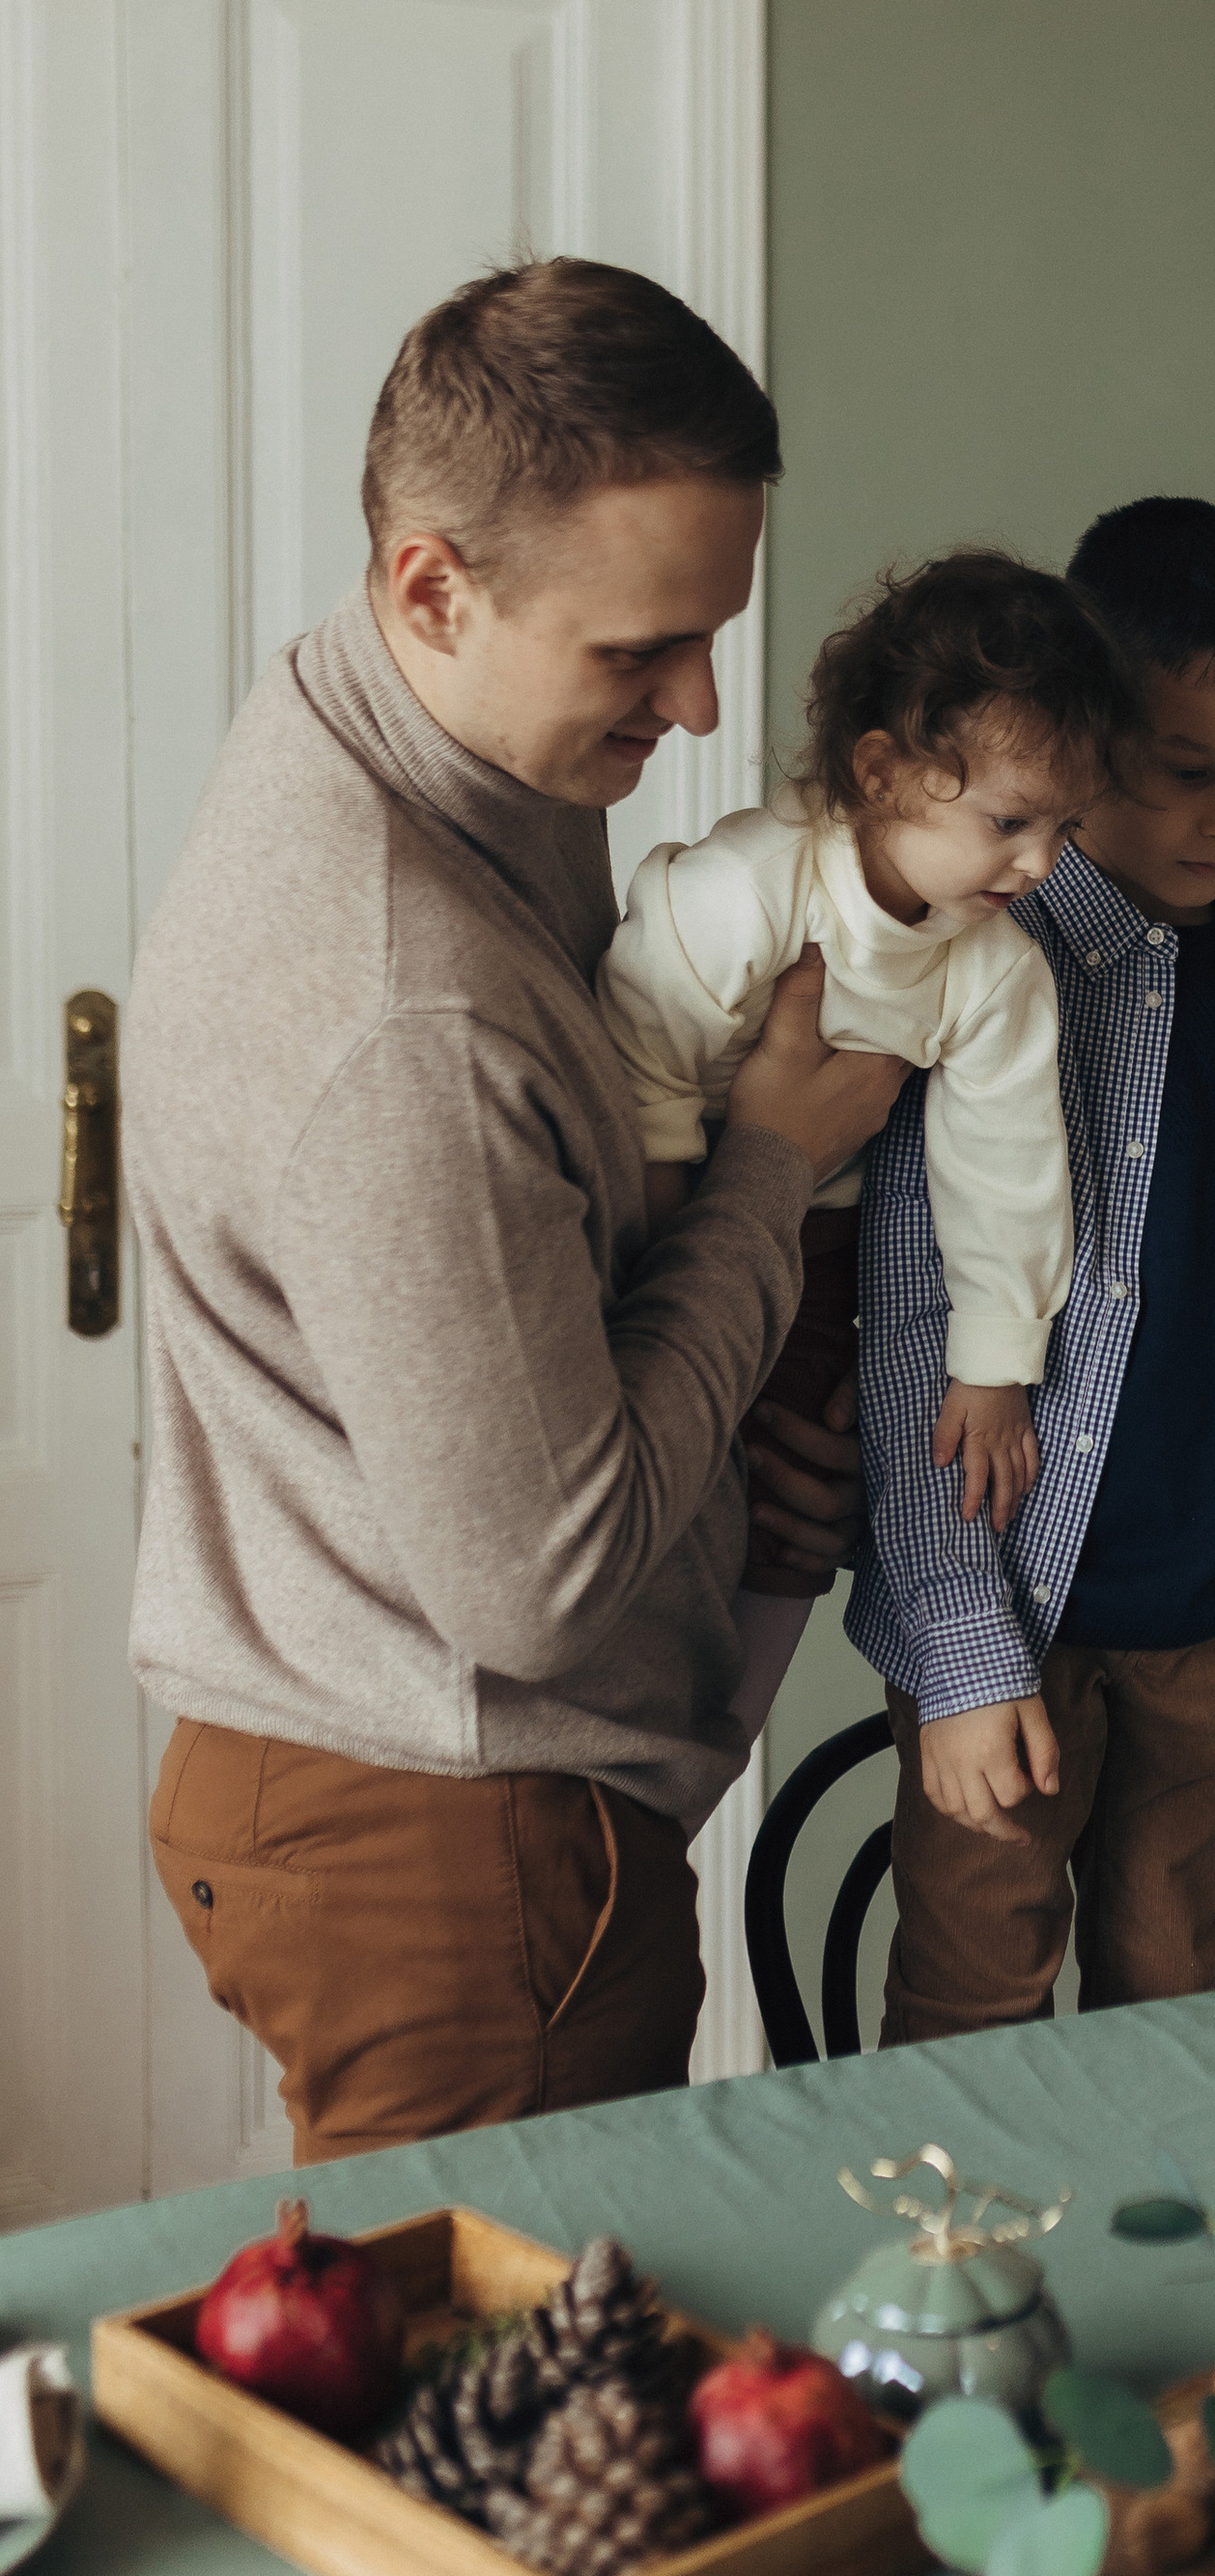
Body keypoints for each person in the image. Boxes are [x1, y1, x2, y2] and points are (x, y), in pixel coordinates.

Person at [128, 259, 905, 2161]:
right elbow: (542, 1589)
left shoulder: (425, 738)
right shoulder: (400, 1004)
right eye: (639, 650)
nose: (701, 701)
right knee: (476, 2450)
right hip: (456, 1839)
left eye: (709, 630)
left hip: (389, 1766)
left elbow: (535, 1253)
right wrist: (772, 1170)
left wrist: (734, 1445)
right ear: (431, 586)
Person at [846, 497, 1215, 2037]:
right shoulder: (979, 970)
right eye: (1183, 773)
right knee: (974, 1993)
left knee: (1184, 1996)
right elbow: (909, 1326)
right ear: (1090, 741)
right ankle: (960, 2281)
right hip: (1015, 1607)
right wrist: (955, 1643)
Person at [597, 550, 1144, 1735]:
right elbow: (643, 1059)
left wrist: (993, 1368)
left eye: (1062, 827)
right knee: (683, 1462)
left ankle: (724, 1723)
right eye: (1009, 821)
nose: (1042, 864)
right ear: (884, 771)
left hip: (826, 1241)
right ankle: (647, 1704)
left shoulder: (992, 969)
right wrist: (663, 1244)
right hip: (675, 1196)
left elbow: (1009, 1169)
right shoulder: (749, 890)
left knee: (806, 1471)